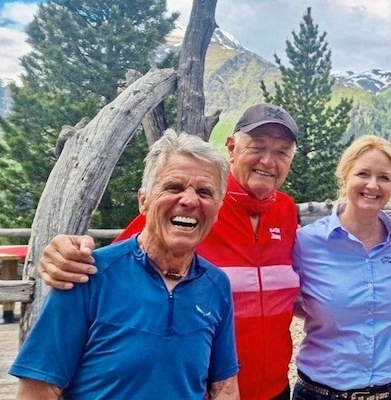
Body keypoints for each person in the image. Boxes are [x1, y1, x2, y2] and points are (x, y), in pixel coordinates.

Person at [38, 103, 301, 399]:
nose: (268, 161)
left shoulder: (286, 211)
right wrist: (63, 256)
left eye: (281, 152)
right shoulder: (196, 204)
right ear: (232, 147)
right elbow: (125, 261)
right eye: (257, 147)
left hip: (277, 390)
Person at [10, 130, 239, 399]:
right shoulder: (87, 273)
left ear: (217, 208)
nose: (189, 200)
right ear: (144, 200)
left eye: (204, 192)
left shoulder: (216, 285)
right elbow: (40, 388)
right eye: (173, 187)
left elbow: (224, 387)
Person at [292, 135, 391, 400]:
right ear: (345, 176)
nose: (373, 185)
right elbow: (285, 298)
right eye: (363, 173)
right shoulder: (307, 242)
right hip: (322, 393)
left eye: (384, 177)